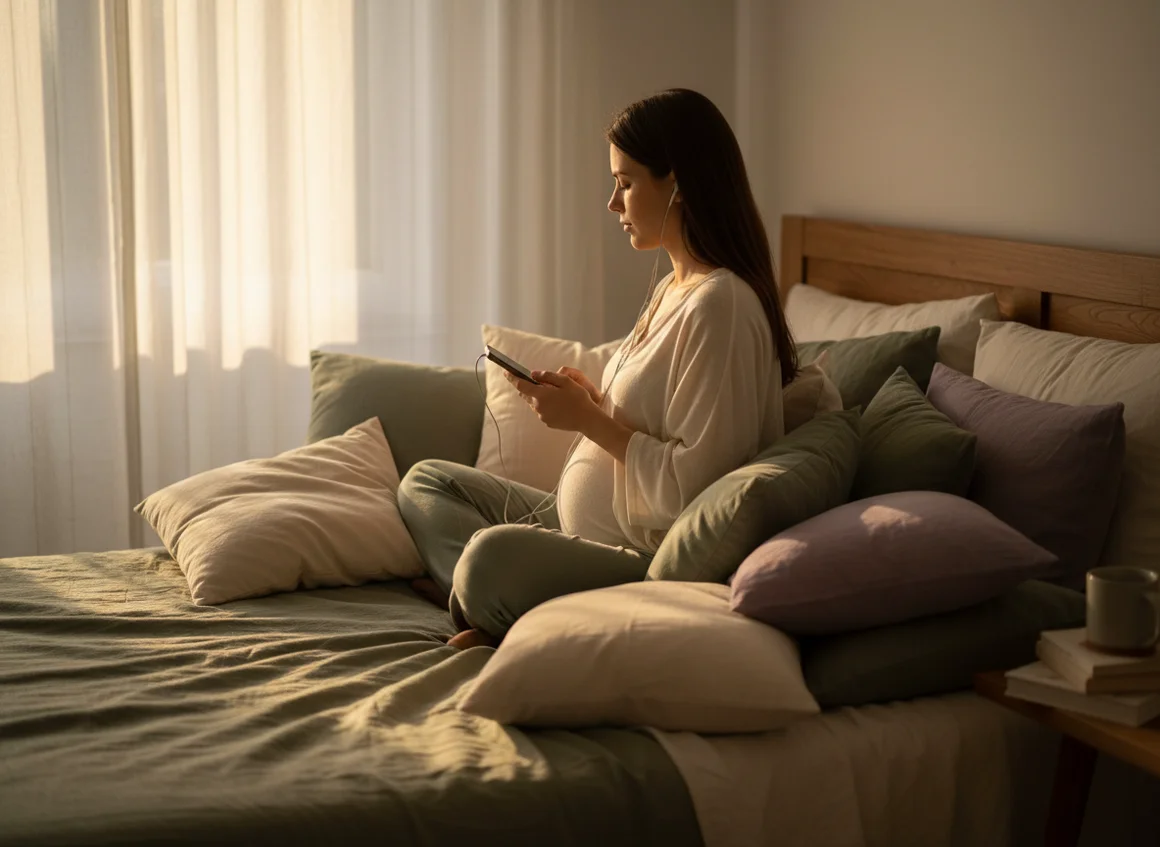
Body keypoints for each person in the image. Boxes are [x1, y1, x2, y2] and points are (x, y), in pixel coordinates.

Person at [397, 88, 797, 650]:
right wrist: (595, 401)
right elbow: (655, 422)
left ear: (677, 183)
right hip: (576, 529)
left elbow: (698, 491)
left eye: (626, 183)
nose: (613, 203)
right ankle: (484, 599)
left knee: (489, 558)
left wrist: (589, 421)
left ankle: (490, 602)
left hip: (639, 564)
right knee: (427, 483)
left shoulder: (721, 306)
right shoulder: (672, 289)